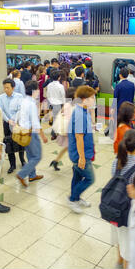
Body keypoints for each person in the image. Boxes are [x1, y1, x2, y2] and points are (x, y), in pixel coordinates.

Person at [111, 129, 135, 269]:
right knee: (129, 250)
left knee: (120, 238)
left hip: (114, 207)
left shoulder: (116, 161)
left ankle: (118, 261)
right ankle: (123, 264)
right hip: (128, 213)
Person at [67, 85, 97, 214]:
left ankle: (76, 198)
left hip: (82, 152)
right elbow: (79, 137)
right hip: (80, 154)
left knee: (77, 176)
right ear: (84, 99)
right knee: (90, 178)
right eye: (92, 98)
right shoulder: (80, 114)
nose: (94, 100)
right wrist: (82, 157)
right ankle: (72, 199)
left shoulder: (83, 111)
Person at [15, 81, 48, 187]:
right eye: (37, 89)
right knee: (37, 156)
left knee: (30, 155)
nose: (38, 91)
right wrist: (43, 136)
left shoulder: (23, 101)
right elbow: (35, 123)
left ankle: (32, 175)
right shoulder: (32, 104)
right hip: (31, 133)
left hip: (23, 132)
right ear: (34, 91)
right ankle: (22, 174)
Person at [0, 78, 25, 174]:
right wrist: (8, 120)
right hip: (7, 123)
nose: (6, 89)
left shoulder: (19, 96)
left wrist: (14, 119)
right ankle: (12, 164)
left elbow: (20, 109)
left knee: (20, 142)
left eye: (8, 88)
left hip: (17, 122)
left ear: (13, 88)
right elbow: (1, 110)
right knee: (8, 143)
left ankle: (22, 160)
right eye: (4, 88)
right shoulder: (1, 97)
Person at [50, 87, 77, 171]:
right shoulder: (72, 106)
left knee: (68, 147)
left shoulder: (67, 104)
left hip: (66, 130)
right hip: (69, 131)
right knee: (73, 148)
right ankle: (75, 165)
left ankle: (56, 161)